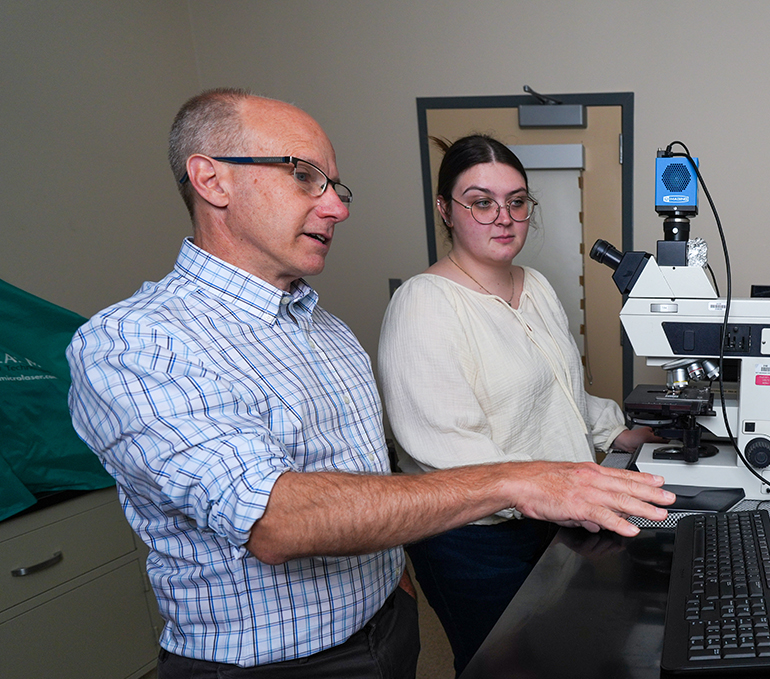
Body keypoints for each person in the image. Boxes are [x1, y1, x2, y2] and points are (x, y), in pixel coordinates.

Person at [65, 89, 674, 679]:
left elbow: (375, 473)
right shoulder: (138, 341)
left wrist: (396, 579)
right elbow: (275, 519)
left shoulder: (325, 328)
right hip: (274, 662)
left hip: (386, 627)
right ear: (211, 180)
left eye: (335, 185)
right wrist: (527, 479)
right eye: (304, 175)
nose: (337, 207)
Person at [377, 134, 665, 674]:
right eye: (481, 202)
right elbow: (445, 450)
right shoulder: (424, 304)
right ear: (445, 209)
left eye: (516, 201)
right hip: (476, 541)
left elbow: (562, 394)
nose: (503, 217)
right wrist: (548, 493)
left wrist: (618, 432)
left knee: (557, 653)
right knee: (504, 665)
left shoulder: (534, 285)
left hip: (554, 516)